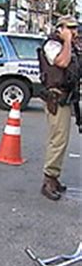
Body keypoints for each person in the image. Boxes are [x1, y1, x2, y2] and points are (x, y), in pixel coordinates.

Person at [38, 15, 80, 201]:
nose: (74, 32)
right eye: (69, 28)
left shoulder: (70, 47)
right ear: (60, 29)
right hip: (56, 98)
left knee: (61, 140)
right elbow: (61, 62)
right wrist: (68, 42)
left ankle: (54, 178)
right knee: (58, 140)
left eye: (75, 28)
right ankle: (48, 180)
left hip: (66, 98)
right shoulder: (52, 45)